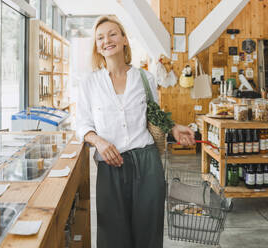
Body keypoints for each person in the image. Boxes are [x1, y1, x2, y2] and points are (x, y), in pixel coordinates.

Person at [76, 15, 195, 248]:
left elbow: (153, 114)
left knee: (148, 230)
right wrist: (98, 141)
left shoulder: (144, 77)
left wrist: (174, 127)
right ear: (97, 47)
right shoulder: (89, 83)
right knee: (113, 234)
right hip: (111, 165)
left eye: (112, 34)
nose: (106, 40)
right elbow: (82, 124)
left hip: (147, 161)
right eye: (100, 37)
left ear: (124, 40)